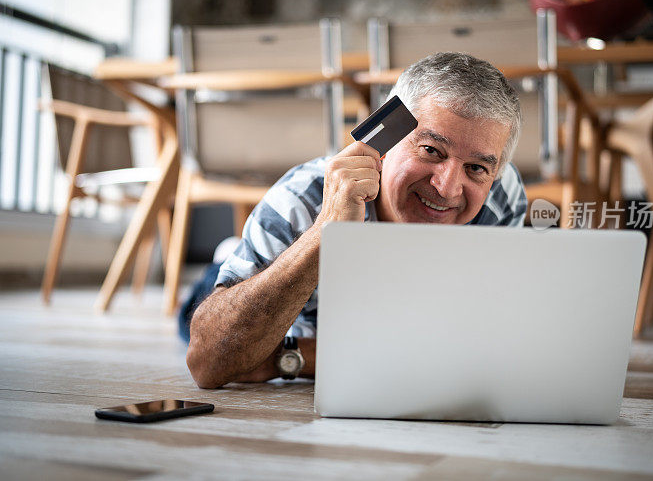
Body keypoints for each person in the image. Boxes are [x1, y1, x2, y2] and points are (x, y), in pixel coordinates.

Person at [185, 52, 527, 388]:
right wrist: (326, 231)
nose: (449, 188)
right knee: (206, 299)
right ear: (386, 139)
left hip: (319, 333)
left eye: (476, 168)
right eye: (431, 150)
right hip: (262, 284)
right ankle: (229, 259)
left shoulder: (503, 197)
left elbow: (466, 343)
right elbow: (208, 363)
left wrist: (291, 357)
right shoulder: (303, 198)